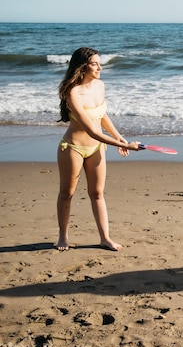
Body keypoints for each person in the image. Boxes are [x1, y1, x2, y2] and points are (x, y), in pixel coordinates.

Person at [56, 47, 141, 251]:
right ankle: (63, 236)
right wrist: (124, 145)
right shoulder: (72, 93)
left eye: (99, 63)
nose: (100, 67)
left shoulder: (100, 86)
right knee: (67, 193)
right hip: (73, 148)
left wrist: (118, 136)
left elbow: (102, 115)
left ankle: (105, 238)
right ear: (82, 67)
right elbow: (92, 130)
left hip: (96, 148)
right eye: (95, 64)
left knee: (97, 193)